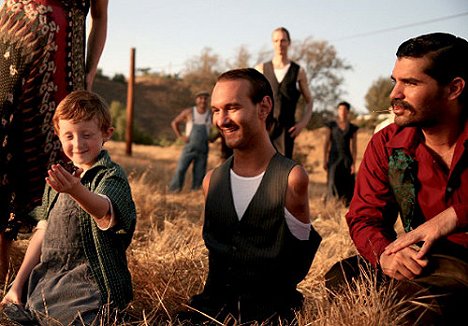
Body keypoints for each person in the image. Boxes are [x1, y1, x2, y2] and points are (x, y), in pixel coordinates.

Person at [326, 33, 468, 325]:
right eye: (395, 81)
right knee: (343, 276)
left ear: (454, 88)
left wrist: (452, 217)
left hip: (463, 263)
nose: (395, 94)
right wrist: (384, 255)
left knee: (422, 303)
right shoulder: (387, 144)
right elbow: (364, 217)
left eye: (411, 83)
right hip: (420, 260)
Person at [179, 68, 321, 325]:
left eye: (232, 107)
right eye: (216, 110)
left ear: (264, 107)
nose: (222, 120)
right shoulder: (212, 181)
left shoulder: (291, 179)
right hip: (209, 313)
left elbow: (299, 261)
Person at [0, 90, 136, 324]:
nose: (78, 143)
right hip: (48, 282)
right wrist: (17, 286)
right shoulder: (58, 179)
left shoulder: (110, 175)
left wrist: (76, 191)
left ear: (106, 134)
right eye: (69, 135)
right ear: (58, 135)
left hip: (90, 285)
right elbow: (42, 233)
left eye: (87, 134)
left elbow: (105, 211)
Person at [0, 0, 108, 282]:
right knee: (3, 144)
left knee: (53, 161)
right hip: (11, 42)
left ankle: (41, 270)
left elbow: (100, 17)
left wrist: (89, 73)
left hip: (62, 63)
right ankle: (2, 266)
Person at [255, 27, 314, 159]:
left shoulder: (298, 71)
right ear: (272, 43)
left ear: (289, 42)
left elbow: (309, 100)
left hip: (286, 132)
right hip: (265, 128)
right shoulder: (261, 69)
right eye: (276, 41)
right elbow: (252, 98)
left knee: (282, 172)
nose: (279, 44)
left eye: (283, 40)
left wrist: (302, 124)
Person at [168, 91, 212, 192]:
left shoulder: (211, 113)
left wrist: (214, 137)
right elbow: (174, 123)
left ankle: (195, 192)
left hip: (203, 148)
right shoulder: (189, 112)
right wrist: (181, 136)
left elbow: (221, 125)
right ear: (196, 100)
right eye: (200, 98)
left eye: (205, 98)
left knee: (200, 172)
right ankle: (174, 190)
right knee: (180, 169)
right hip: (189, 147)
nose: (203, 100)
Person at [323, 101, 359, 206]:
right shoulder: (331, 125)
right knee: (332, 180)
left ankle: (346, 205)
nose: (342, 112)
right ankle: (332, 204)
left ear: (348, 112)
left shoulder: (353, 128)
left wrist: (354, 163)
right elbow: (326, 143)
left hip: (346, 158)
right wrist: (324, 159)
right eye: (340, 109)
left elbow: (354, 147)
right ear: (338, 111)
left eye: (344, 110)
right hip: (333, 157)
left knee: (347, 182)